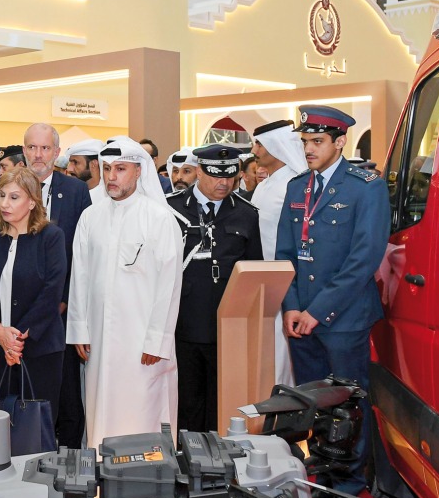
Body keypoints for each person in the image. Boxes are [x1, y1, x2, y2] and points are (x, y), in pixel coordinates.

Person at [276, 105, 390, 498]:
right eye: (305, 142)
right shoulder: (296, 187)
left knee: (347, 406)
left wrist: (316, 312)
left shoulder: (366, 187)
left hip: (341, 318)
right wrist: (290, 305)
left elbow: (364, 259)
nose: (309, 149)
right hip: (300, 316)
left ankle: (348, 489)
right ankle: (323, 477)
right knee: (313, 404)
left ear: (340, 142)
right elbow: (285, 254)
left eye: (317, 142)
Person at [67, 137, 183, 447]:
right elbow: (79, 277)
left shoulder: (160, 219)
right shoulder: (91, 217)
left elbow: (169, 285)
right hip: (99, 343)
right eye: (106, 169)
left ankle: (145, 481)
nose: (111, 176)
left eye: (120, 168)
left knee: (143, 416)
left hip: (142, 345)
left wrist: (157, 339)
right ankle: (102, 479)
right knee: (99, 412)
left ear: (139, 171)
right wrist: (80, 329)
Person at [167, 145, 263, 433]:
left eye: (230, 177)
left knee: (221, 401)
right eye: (216, 176)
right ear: (199, 171)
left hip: (226, 325)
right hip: (182, 322)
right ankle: (186, 458)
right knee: (186, 400)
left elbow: (253, 268)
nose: (224, 183)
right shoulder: (170, 209)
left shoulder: (246, 214)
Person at [19, 123, 92, 450]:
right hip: (18, 311)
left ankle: (69, 457)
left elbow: (83, 252)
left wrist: (64, 299)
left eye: (45, 149)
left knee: (64, 391)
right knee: (24, 386)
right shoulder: (5, 188)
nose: (38, 155)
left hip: (62, 310)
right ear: (24, 151)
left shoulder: (75, 191)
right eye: (32, 148)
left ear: (57, 153)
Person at [0, 166, 67, 428]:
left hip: (40, 349)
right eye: (2, 195)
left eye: (14, 197)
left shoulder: (51, 237)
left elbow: (53, 291)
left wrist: (16, 338)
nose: (5, 203)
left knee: (35, 429)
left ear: (32, 201)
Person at [250, 120, 308, 387]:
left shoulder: (294, 185)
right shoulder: (265, 185)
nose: (255, 151)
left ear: (277, 146)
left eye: (260, 144)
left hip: (285, 278)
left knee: (283, 351)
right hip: (260, 278)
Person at [66, 139, 106, 204]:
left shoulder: (105, 199)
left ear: (93, 164)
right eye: (70, 163)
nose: (69, 169)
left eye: (75, 162)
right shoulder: (70, 194)